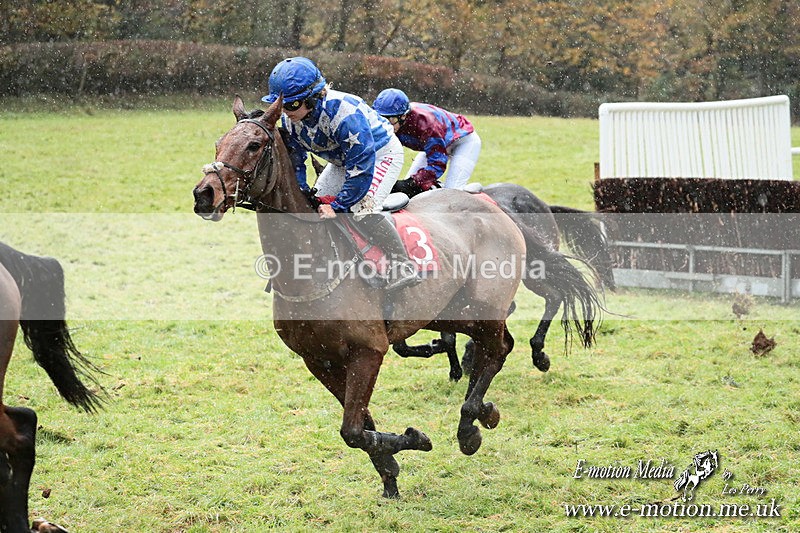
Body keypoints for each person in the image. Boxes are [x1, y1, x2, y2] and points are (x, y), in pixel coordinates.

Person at [262, 57, 418, 291]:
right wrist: (304, 191)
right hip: (342, 159)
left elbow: (362, 167)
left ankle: (402, 264)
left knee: (361, 208)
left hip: (379, 154)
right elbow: (297, 161)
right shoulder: (291, 119)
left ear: (313, 98)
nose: (285, 111)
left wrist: (339, 204)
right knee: (311, 208)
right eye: (281, 104)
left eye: (292, 105)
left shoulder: (345, 115)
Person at [372, 88, 482, 196]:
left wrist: (413, 183)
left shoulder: (425, 125)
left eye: (391, 120)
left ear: (403, 116)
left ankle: (466, 196)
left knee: (451, 192)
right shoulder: (392, 122)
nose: (385, 125)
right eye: (381, 118)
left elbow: (438, 164)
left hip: (463, 142)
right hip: (437, 142)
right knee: (406, 192)